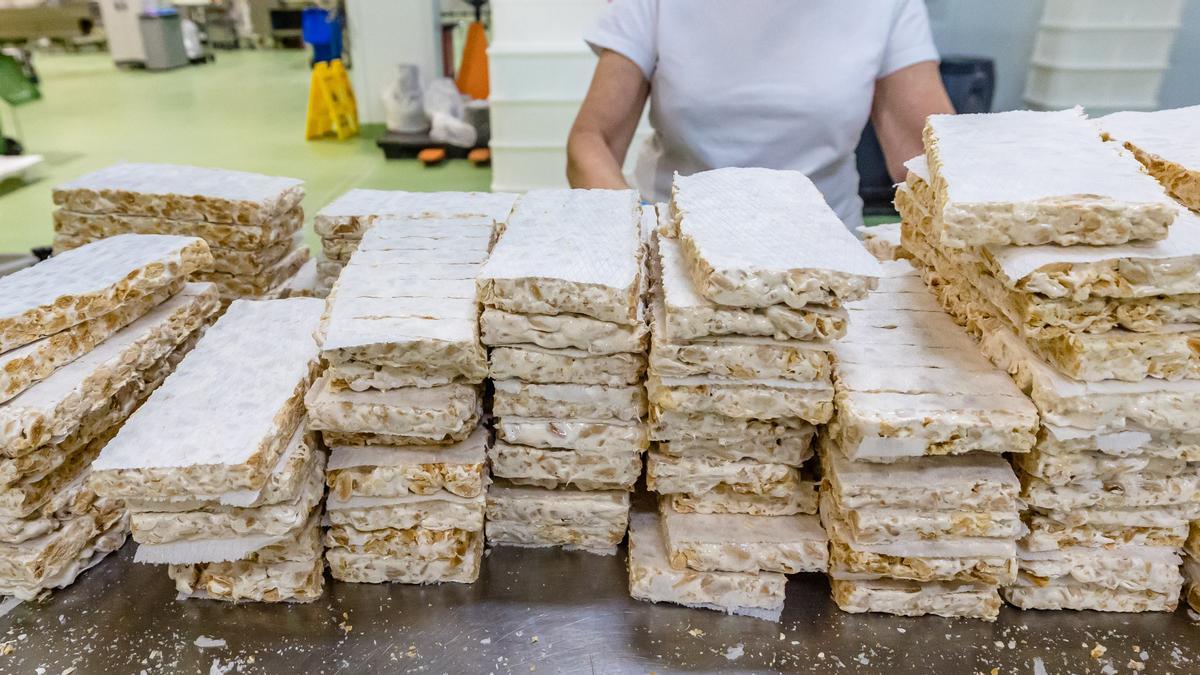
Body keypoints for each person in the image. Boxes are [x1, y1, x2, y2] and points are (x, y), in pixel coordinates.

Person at [567, 0, 954, 230]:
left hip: (827, 254)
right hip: (676, 248)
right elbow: (590, 142)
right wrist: (640, 229)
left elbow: (930, 160)